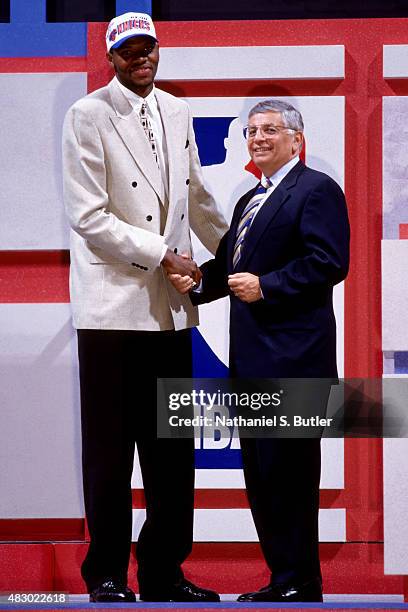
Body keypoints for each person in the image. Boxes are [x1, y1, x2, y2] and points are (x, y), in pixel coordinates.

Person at [62, 11, 227, 603]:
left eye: (149, 48)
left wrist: (237, 251)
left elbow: (199, 197)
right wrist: (165, 254)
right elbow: (89, 218)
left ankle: (163, 571)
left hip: (171, 313)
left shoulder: (177, 110)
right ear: (111, 57)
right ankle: (105, 573)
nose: (142, 58)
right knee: (110, 453)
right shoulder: (86, 115)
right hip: (112, 313)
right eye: (129, 50)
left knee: (171, 452)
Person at [169, 99, 350, 602]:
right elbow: (227, 271)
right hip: (251, 362)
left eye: (271, 129)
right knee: (264, 474)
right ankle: (283, 579)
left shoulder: (316, 190)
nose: (258, 138)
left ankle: (301, 581)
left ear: (296, 138)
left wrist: (267, 285)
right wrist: (189, 279)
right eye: (251, 130)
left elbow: (330, 262)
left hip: (296, 361)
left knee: (291, 476)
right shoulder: (251, 198)